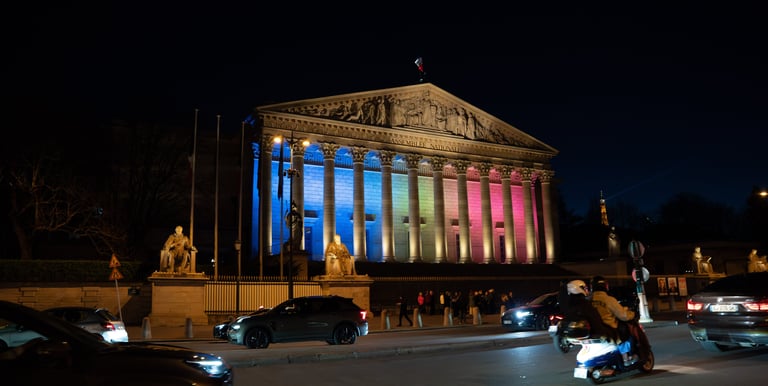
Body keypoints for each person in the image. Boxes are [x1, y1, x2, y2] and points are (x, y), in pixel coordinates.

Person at [590, 276, 638, 367]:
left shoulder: (589, 300)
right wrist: (633, 314)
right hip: (609, 328)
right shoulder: (609, 300)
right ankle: (626, 358)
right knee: (625, 333)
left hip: (593, 329)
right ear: (605, 286)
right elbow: (623, 316)